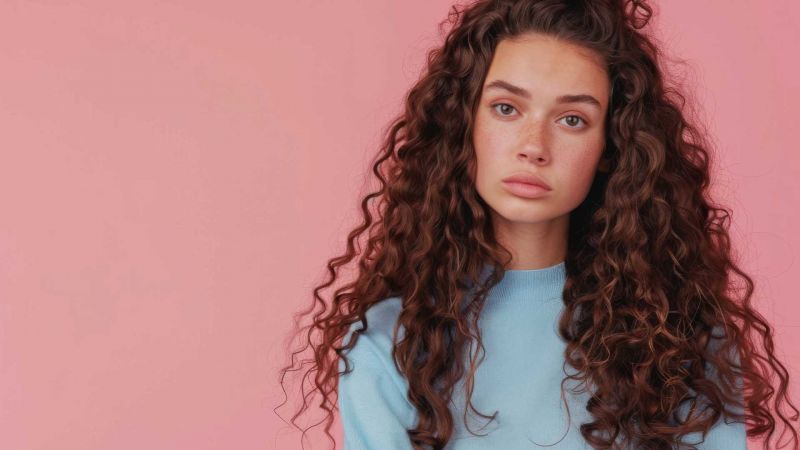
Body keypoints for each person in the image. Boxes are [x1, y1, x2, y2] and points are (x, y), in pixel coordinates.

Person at [274, 0, 799, 449]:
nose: (533, 146)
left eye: (572, 119)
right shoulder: (390, 346)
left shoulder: (682, 340)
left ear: (611, 149)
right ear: (465, 125)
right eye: (506, 108)